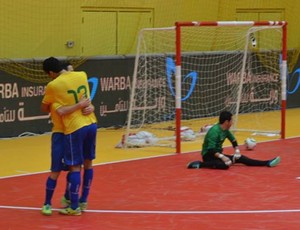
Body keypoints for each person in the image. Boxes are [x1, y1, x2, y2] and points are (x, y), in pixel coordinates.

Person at [42, 57, 97, 216]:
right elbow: (86, 99)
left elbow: (48, 107)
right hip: (91, 123)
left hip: (73, 128)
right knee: (88, 163)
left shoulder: (53, 86)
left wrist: (80, 106)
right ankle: (82, 200)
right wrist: (88, 106)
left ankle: (74, 206)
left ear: (51, 72)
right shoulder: (82, 75)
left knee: (74, 166)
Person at [187, 111, 281, 169]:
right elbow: (211, 150)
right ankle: (200, 164)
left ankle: (267, 163)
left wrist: (236, 151)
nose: (232, 122)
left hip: (218, 154)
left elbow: (233, 140)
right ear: (226, 122)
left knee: (241, 158)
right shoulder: (214, 132)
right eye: (231, 121)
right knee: (224, 165)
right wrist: (223, 157)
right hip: (208, 155)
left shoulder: (225, 130)